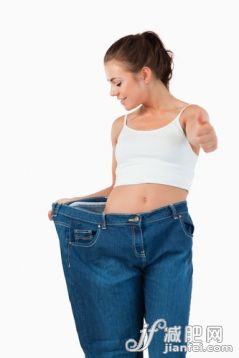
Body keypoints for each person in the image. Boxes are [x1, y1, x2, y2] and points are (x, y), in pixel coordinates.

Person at [48, 31, 217, 357]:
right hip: (109, 237)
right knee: (113, 350)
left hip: (167, 236)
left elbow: (205, 139)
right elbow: (118, 185)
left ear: (144, 74)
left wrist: (207, 136)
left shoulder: (188, 115)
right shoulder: (120, 126)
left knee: (168, 347)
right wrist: (75, 202)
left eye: (117, 82)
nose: (112, 91)